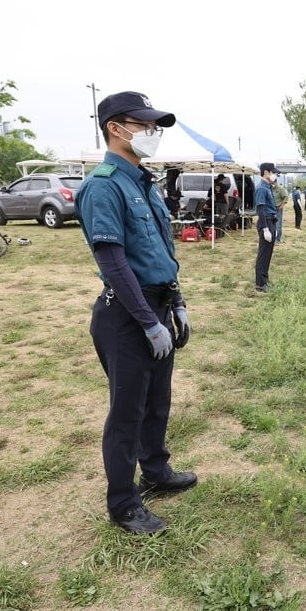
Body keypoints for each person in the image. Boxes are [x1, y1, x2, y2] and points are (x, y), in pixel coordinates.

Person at [75, 90, 197, 535]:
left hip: (159, 304)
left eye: (153, 126)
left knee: (156, 401)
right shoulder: (103, 185)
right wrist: (147, 320)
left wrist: (176, 304)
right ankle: (124, 503)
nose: (151, 133)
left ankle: (157, 471)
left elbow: (161, 252)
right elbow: (113, 261)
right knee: (127, 410)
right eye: (143, 124)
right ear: (115, 128)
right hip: (127, 315)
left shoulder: (142, 180)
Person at [254, 163, 281, 291]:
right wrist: (265, 228)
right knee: (263, 253)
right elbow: (261, 209)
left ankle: (265, 279)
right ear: (266, 172)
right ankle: (260, 283)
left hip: (271, 221)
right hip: (266, 222)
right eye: (272, 172)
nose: (274, 175)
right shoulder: (261, 188)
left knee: (268, 253)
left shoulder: (268, 187)